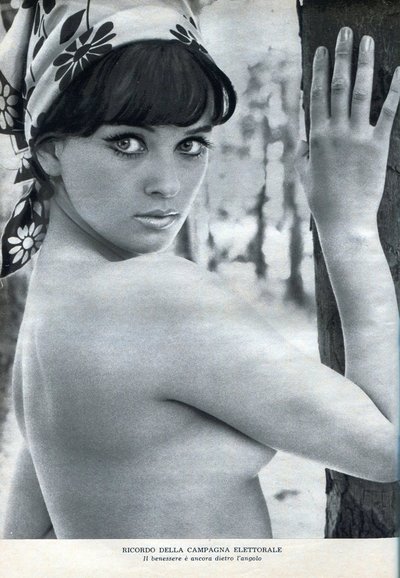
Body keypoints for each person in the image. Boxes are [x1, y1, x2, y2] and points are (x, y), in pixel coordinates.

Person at [0, 1, 398, 539]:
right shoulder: (154, 296)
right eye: (127, 143)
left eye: (190, 144)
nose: (167, 184)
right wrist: (348, 224)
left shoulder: (50, 307)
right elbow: (388, 450)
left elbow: (24, 544)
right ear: (50, 150)